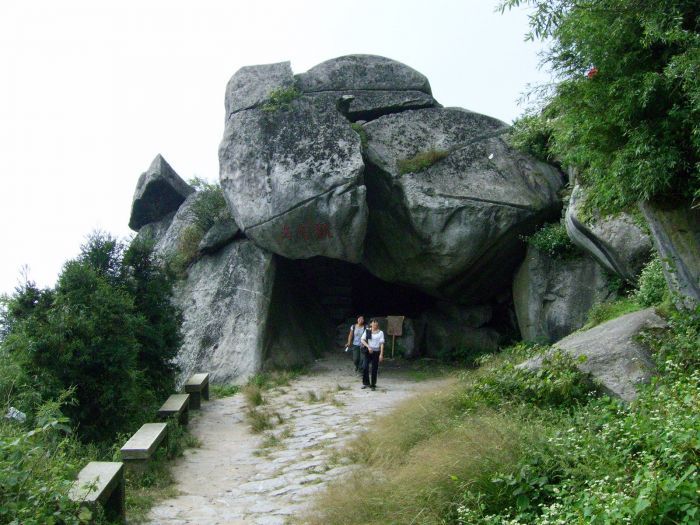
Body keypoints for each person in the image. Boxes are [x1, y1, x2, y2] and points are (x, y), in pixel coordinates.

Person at [360, 318, 385, 390]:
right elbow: (362, 339)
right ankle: (366, 383)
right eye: (373, 322)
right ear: (371, 324)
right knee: (365, 367)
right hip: (368, 351)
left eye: (376, 322)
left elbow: (382, 344)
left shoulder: (380, 333)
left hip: (376, 352)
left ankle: (373, 384)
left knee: (374, 368)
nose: (375, 323)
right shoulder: (368, 330)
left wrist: (381, 354)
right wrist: (368, 347)